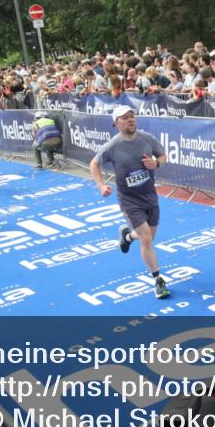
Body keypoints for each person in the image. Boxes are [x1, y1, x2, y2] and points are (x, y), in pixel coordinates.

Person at [90, 106, 170, 299]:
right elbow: (94, 163)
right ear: (116, 123)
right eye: (125, 118)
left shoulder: (147, 138)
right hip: (129, 200)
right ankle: (158, 279)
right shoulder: (112, 146)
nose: (131, 120)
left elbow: (163, 155)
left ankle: (127, 236)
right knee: (147, 239)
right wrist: (101, 186)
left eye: (132, 116)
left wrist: (156, 163)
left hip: (150, 196)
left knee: (149, 235)